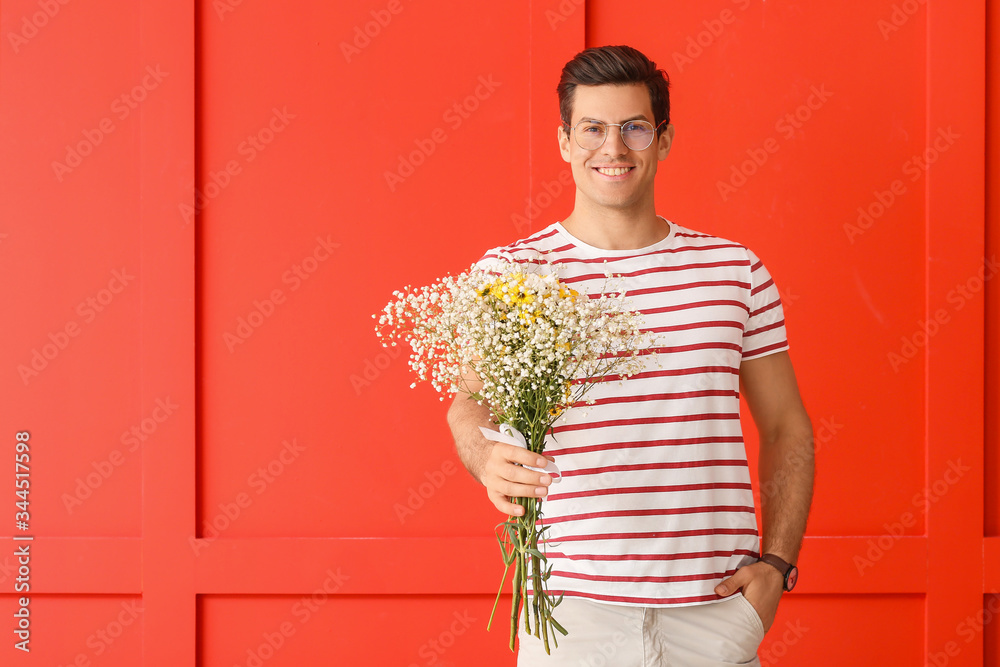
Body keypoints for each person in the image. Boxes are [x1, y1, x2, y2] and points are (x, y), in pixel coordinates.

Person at [447, 44, 814, 666]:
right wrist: (485, 456)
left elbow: (786, 427)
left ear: (663, 141)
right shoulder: (513, 273)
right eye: (592, 128)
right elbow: (469, 403)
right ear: (564, 141)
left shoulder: (734, 270)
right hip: (569, 610)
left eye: (634, 128)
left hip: (716, 608)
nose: (612, 149)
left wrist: (777, 564)